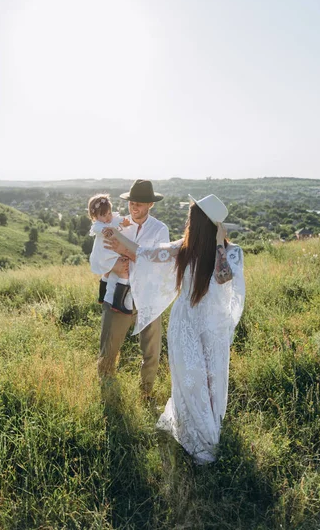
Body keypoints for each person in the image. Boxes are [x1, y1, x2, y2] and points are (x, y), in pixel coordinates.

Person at [103, 194, 245, 464]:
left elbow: (223, 276)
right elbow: (146, 254)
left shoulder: (232, 252)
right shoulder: (184, 248)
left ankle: (208, 431)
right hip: (185, 325)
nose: (187, 221)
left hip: (213, 328)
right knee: (189, 380)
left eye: (192, 216)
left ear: (203, 223)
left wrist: (218, 245)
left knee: (213, 380)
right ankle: (198, 437)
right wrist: (118, 240)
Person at [90, 179, 170, 397]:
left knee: (151, 350)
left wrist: (126, 252)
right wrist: (114, 265)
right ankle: (107, 394)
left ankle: (146, 393)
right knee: (108, 348)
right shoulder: (116, 225)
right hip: (117, 294)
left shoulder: (160, 230)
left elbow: (158, 265)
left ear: (150, 205)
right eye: (132, 202)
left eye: (140, 203)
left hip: (148, 297)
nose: (135, 207)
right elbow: (96, 260)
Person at [87, 193, 132, 314]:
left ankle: (102, 297)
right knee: (124, 273)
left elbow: (118, 220)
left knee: (107, 272)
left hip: (108, 254)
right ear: (95, 216)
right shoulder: (98, 226)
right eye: (103, 215)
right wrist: (114, 227)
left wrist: (124, 222)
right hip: (105, 255)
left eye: (109, 213)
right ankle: (118, 303)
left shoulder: (110, 219)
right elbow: (106, 231)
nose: (108, 217)